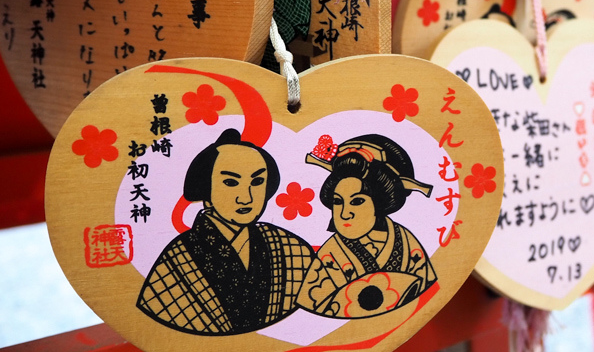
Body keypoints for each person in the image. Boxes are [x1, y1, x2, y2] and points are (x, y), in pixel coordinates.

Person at [137, 129, 315, 335]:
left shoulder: (290, 247)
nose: (246, 198)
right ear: (206, 187)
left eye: (257, 182)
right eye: (231, 183)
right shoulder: (177, 259)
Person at [298, 135, 437, 319]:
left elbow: (424, 291)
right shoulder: (331, 255)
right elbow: (313, 310)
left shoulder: (405, 242)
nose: (344, 213)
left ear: (380, 204)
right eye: (338, 202)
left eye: (357, 201)